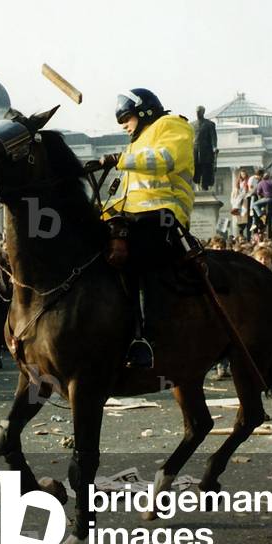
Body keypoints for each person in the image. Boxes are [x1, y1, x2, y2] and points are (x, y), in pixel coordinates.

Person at [97, 87, 195, 368]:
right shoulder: (135, 143)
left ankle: (143, 339)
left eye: (127, 119)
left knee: (133, 261)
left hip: (165, 213)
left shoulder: (172, 124)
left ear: (144, 111)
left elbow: (166, 160)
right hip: (138, 214)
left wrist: (120, 159)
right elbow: (127, 197)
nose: (125, 127)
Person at [192, 105, 218, 191]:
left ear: (203, 112)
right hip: (195, 151)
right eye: (196, 112)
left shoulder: (209, 124)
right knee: (196, 170)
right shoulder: (192, 125)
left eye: (199, 112)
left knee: (206, 169)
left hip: (206, 151)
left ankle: (204, 187)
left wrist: (214, 147)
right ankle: (197, 186)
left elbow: (213, 138)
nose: (197, 113)